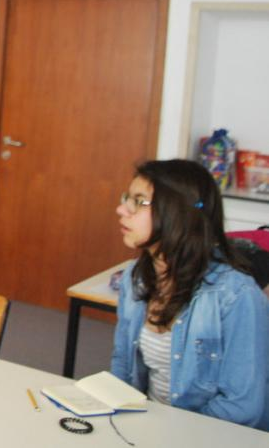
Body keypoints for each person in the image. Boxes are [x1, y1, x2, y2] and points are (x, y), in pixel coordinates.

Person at [110, 159, 269, 430]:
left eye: (139, 201)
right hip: (149, 427)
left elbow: (241, 407)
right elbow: (123, 367)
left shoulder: (236, 295)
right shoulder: (135, 278)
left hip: (208, 436)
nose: (121, 209)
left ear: (177, 212)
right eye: (127, 198)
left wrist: (168, 432)